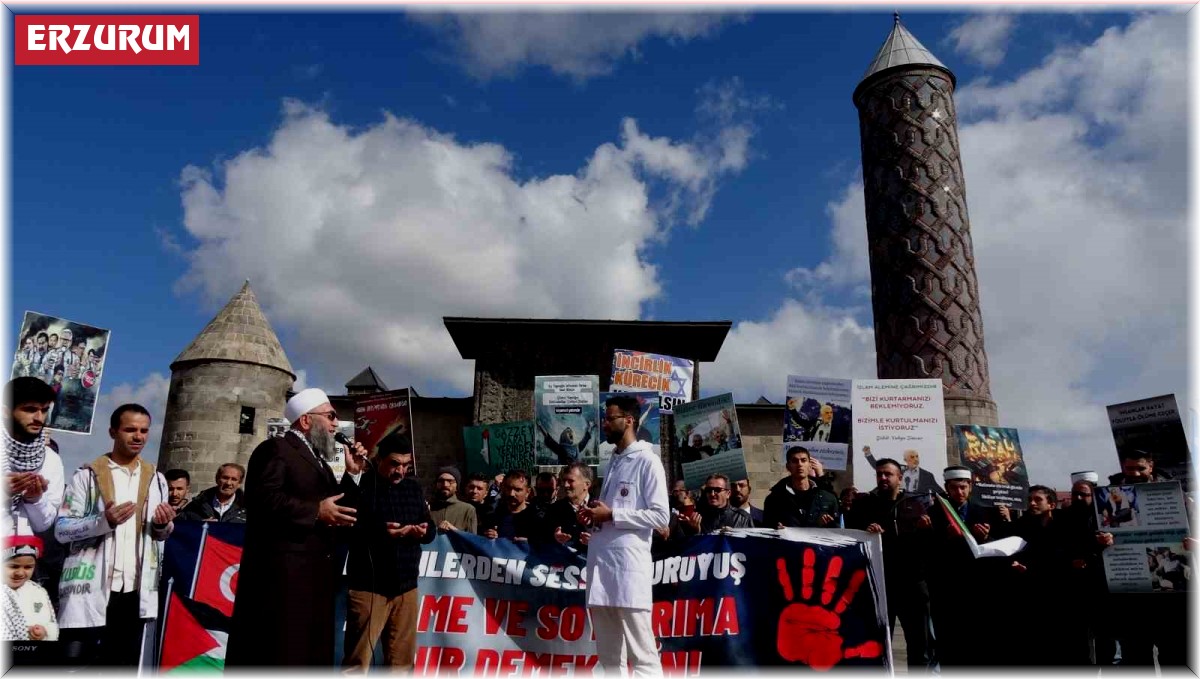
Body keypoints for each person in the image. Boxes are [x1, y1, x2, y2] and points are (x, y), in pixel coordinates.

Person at [226, 388, 364, 667]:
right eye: (330, 416)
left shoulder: (318, 460)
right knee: (281, 652)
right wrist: (315, 511)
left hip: (314, 575)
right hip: (282, 578)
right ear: (305, 420)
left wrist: (353, 473)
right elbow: (263, 498)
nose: (335, 423)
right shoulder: (275, 449)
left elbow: (335, 504)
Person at [55, 403, 175, 668]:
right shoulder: (87, 475)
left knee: (122, 664)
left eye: (144, 430)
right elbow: (62, 529)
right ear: (112, 432)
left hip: (135, 588)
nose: (138, 436)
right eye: (130, 429)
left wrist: (161, 525)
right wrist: (103, 521)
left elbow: (161, 534)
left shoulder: (156, 478)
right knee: (80, 665)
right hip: (92, 585)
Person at [580, 395, 669, 676]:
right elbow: (611, 511)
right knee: (608, 660)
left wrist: (612, 515)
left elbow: (660, 517)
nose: (604, 424)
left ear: (629, 420)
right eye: (604, 419)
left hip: (629, 572)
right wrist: (594, 517)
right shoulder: (614, 463)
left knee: (643, 657)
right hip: (601, 570)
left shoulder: (648, 461)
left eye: (610, 419)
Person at [340, 426, 435, 671]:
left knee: (402, 662)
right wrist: (384, 534)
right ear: (379, 459)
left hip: (406, 588)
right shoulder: (362, 484)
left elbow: (430, 529)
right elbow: (345, 525)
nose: (400, 471)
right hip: (369, 587)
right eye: (394, 464)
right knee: (357, 661)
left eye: (406, 465)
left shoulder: (413, 487)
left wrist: (424, 531)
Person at [1097, 450, 1189, 669]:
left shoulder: (1179, 495)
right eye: (1130, 468)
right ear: (1123, 467)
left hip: (1171, 599)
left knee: (1176, 656)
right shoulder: (1105, 498)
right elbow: (1092, 539)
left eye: (1141, 468)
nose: (1135, 473)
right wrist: (1100, 541)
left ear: (1151, 465)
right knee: (1135, 658)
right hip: (1131, 595)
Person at [845, 457, 935, 672]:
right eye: (879, 474)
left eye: (888, 474)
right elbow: (850, 536)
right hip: (879, 584)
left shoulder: (917, 505)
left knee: (919, 645)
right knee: (876, 644)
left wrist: (926, 530)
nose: (883, 478)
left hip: (912, 584)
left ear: (900, 478)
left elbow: (930, 546)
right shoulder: (864, 504)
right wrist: (865, 531)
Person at [926, 466, 1008, 667]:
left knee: (977, 644)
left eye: (963, 487)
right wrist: (946, 538)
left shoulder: (986, 512)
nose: (959, 493)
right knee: (948, 644)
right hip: (946, 588)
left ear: (970, 486)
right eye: (954, 488)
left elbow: (1001, 546)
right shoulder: (933, 513)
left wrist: (986, 537)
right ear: (946, 488)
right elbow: (926, 550)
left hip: (977, 588)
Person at [3, 377, 64, 537]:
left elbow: (44, 524)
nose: (39, 418)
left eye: (44, 410)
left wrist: (35, 498)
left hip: (21, 556)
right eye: (30, 409)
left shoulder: (51, 459)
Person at [763, 446, 839, 529]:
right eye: (795, 461)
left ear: (810, 465)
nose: (799, 464)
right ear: (788, 466)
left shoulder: (828, 498)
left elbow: (839, 531)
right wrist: (776, 529)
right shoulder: (774, 499)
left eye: (803, 460)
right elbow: (767, 529)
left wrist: (831, 525)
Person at [3, 535, 58, 642]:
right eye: (13, 566)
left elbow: (52, 622)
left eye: (28, 567)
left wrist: (44, 631)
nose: (20, 573)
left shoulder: (38, 592)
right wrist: (21, 631)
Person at [678, 473, 752, 536]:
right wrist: (695, 532)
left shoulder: (742, 518)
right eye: (709, 490)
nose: (712, 494)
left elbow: (752, 545)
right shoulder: (697, 518)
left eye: (717, 490)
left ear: (728, 493)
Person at [544, 462, 594, 550]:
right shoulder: (554, 510)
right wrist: (555, 538)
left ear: (587, 484)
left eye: (571, 481)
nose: (566, 485)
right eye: (564, 481)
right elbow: (543, 541)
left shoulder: (599, 507)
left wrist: (595, 540)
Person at [180, 463, 247, 523]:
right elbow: (178, 527)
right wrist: (199, 525)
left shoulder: (247, 508)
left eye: (234, 479)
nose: (228, 483)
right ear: (217, 479)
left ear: (239, 483)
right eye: (225, 478)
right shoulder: (197, 505)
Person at [484, 470, 539, 541]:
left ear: (528, 492)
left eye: (517, 490)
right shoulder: (494, 514)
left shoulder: (536, 517)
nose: (511, 494)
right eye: (508, 488)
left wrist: (529, 543)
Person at [429, 466, 477, 533]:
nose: (445, 484)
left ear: (457, 486)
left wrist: (454, 530)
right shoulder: (428, 508)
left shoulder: (468, 510)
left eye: (450, 481)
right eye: (441, 481)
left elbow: (472, 539)